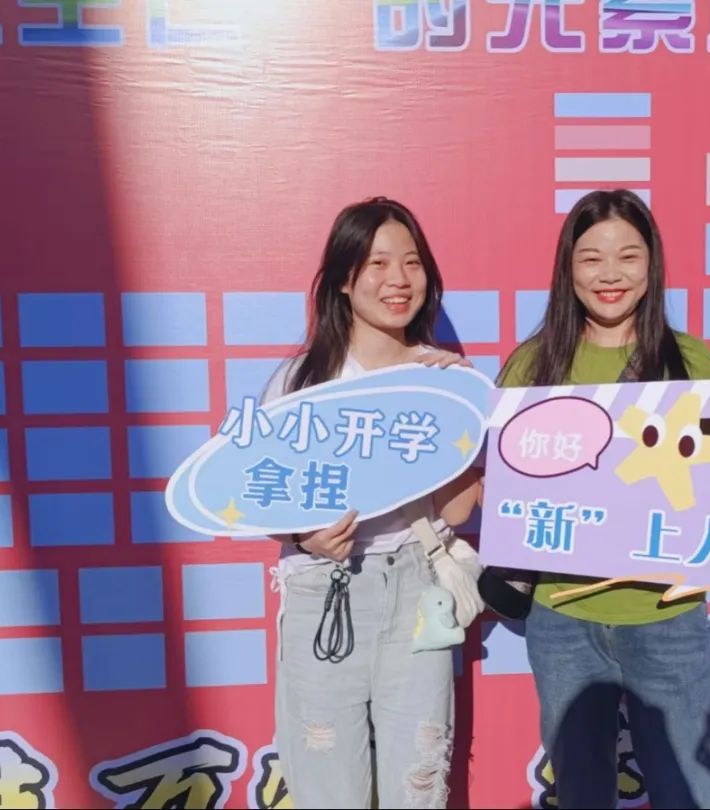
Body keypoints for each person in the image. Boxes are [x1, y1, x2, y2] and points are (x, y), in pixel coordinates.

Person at [494, 189, 710, 809]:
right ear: (568, 268)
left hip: (667, 615)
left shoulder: (691, 362)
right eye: (591, 258)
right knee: (582, 792)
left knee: (687, 792)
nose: (610, 275)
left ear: (652, 264)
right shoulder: (532, 367)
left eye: (628, 256)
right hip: (561, 616)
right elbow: (502, 483)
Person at [261, 197, 481, 810]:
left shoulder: (445, 380)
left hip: (416, 588)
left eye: (412, 263)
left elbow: (459, 511)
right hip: (323, 590)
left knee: (419, 786)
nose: (398, 280)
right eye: (377, 263)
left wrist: (458, 410)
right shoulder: (302, 383)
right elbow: (259, 494)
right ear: (343, 278)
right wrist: (305, 537)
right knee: (328, 787)